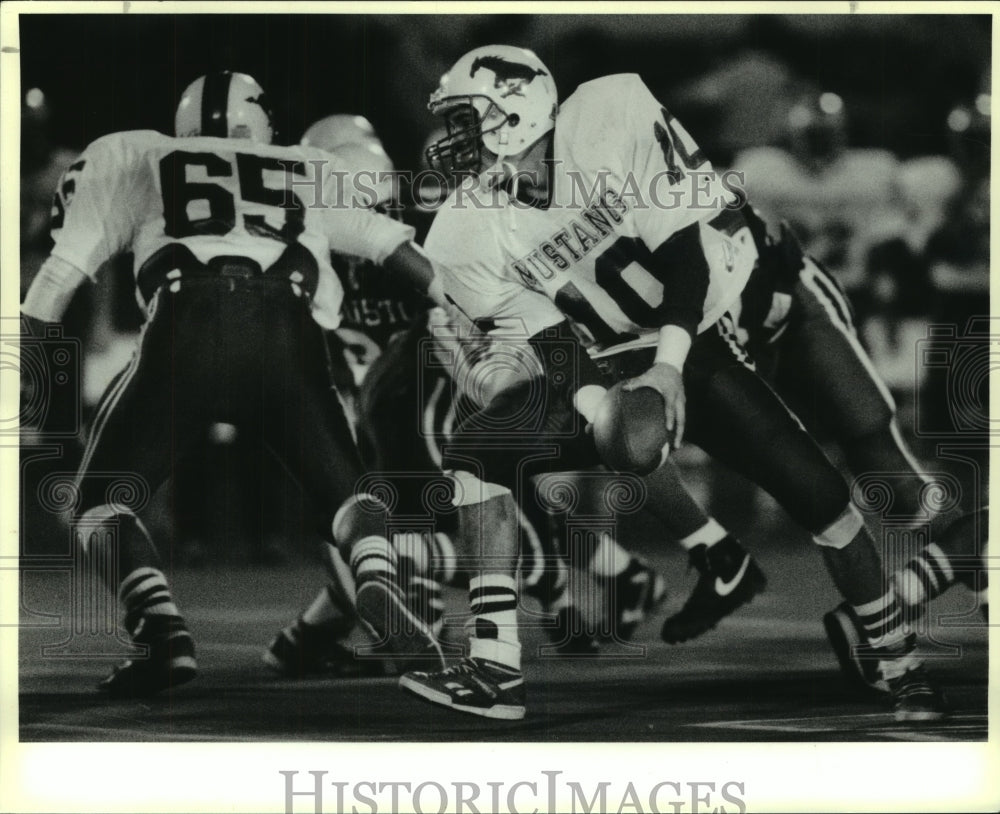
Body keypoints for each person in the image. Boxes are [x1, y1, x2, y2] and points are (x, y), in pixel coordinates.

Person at [396, 45, 945, 722]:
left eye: (462, 118)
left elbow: (685, 249)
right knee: (481, 447)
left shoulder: (607, 116)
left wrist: (669, 368)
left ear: (515, 109)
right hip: (619, 351)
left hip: (721, 316)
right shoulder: (463, 225)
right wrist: (609, 411)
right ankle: (494, 665)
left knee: (826, 495)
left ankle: (905, 654)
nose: (451, 140)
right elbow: (552, 339)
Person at [19, 71, 446, 698]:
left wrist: (24, 359)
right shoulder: (303, 163)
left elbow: (59, 276)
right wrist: (458, 304)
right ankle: (375, 572)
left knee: (100, 502)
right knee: (353, 501)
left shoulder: (137, 153)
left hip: (185, 322)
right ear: (261, 122)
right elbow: (392, 246)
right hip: (287, 330)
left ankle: (162, 634)